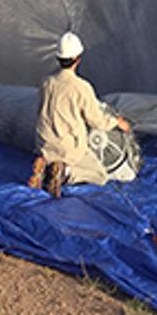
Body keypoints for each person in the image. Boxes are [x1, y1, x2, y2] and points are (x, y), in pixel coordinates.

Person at [26, 32, 137, 197]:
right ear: (78, 59)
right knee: (100, 176)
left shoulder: (46, 82)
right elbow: (96, 120)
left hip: (44, 143)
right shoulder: (81, 87)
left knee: (54, 149)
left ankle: (46, 163)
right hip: (68, 148)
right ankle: (65, 171)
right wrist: (117, 122)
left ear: (58, 58)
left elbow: (40, 110)